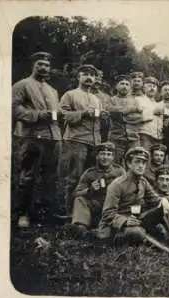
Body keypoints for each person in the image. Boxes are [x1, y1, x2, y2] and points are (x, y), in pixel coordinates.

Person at [11, 51, 62, 227]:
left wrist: (57, 116)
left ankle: (44, 213)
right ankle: (22, 214)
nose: (43, 67)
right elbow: (15, 109)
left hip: (52, 137)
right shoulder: (22, 85)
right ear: (33, 65)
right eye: (40, 63)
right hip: (31, 136)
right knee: (27, 176)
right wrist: (39, 115)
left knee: (49, 177)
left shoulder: (53, 90)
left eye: (47, 65)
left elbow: (55, 114)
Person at [97, 147, 169, 254]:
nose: (141, 165)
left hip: (136, 220)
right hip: (115, 228)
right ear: (129, 163)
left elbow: (155, 199)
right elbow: (107, 214)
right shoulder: (117, 185)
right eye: (137, 162)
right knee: (137, 232)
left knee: (161, 220)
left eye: (144, 162)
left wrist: (163, 200)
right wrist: (125, 221)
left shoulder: (142, 182)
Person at [59, 64, 109, 216]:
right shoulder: (70, 94)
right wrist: (83, 113)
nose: (89, 77)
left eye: (92, 75)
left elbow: (98, 122)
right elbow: (62, 114)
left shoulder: (96, 99)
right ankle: (69, 212)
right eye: (85, 74)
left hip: (94, 143)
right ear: (78, 77)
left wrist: (103, 116)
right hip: (76, 140)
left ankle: (86, 211)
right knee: (73, 176)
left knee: (91, 177)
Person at [66, 142, 125, 236]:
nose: (105, 157)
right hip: (97, 205)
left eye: (108, 154)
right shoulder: (89, 173)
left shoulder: (119, 171)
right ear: (97, 156)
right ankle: (80, 226)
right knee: (80, 199)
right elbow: (75, 194)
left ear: (113, 157)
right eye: (102, 154)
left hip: (114, 207)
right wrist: (90, 190)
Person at [107, 74, 137, 165]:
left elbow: (140, 117)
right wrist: (130, 110)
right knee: (115, 163)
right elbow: (111, 110)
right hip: (116, 136)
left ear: (130, 88)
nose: (124, 86)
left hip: (133, 138)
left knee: (132, 163)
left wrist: (121, 115)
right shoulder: (111, 100)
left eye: (127, 84)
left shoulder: (135, 101)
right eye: (122, 83)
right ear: (116, 86)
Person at [130, 73, 164, 151]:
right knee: (145, 157)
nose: (152, 88)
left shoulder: (160, 104)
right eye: (149, 86)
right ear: (144, 88)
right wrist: (151, 114)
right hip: (144, 135)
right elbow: (133, 117)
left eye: (154, 87)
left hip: (158, 137)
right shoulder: (138, 100)